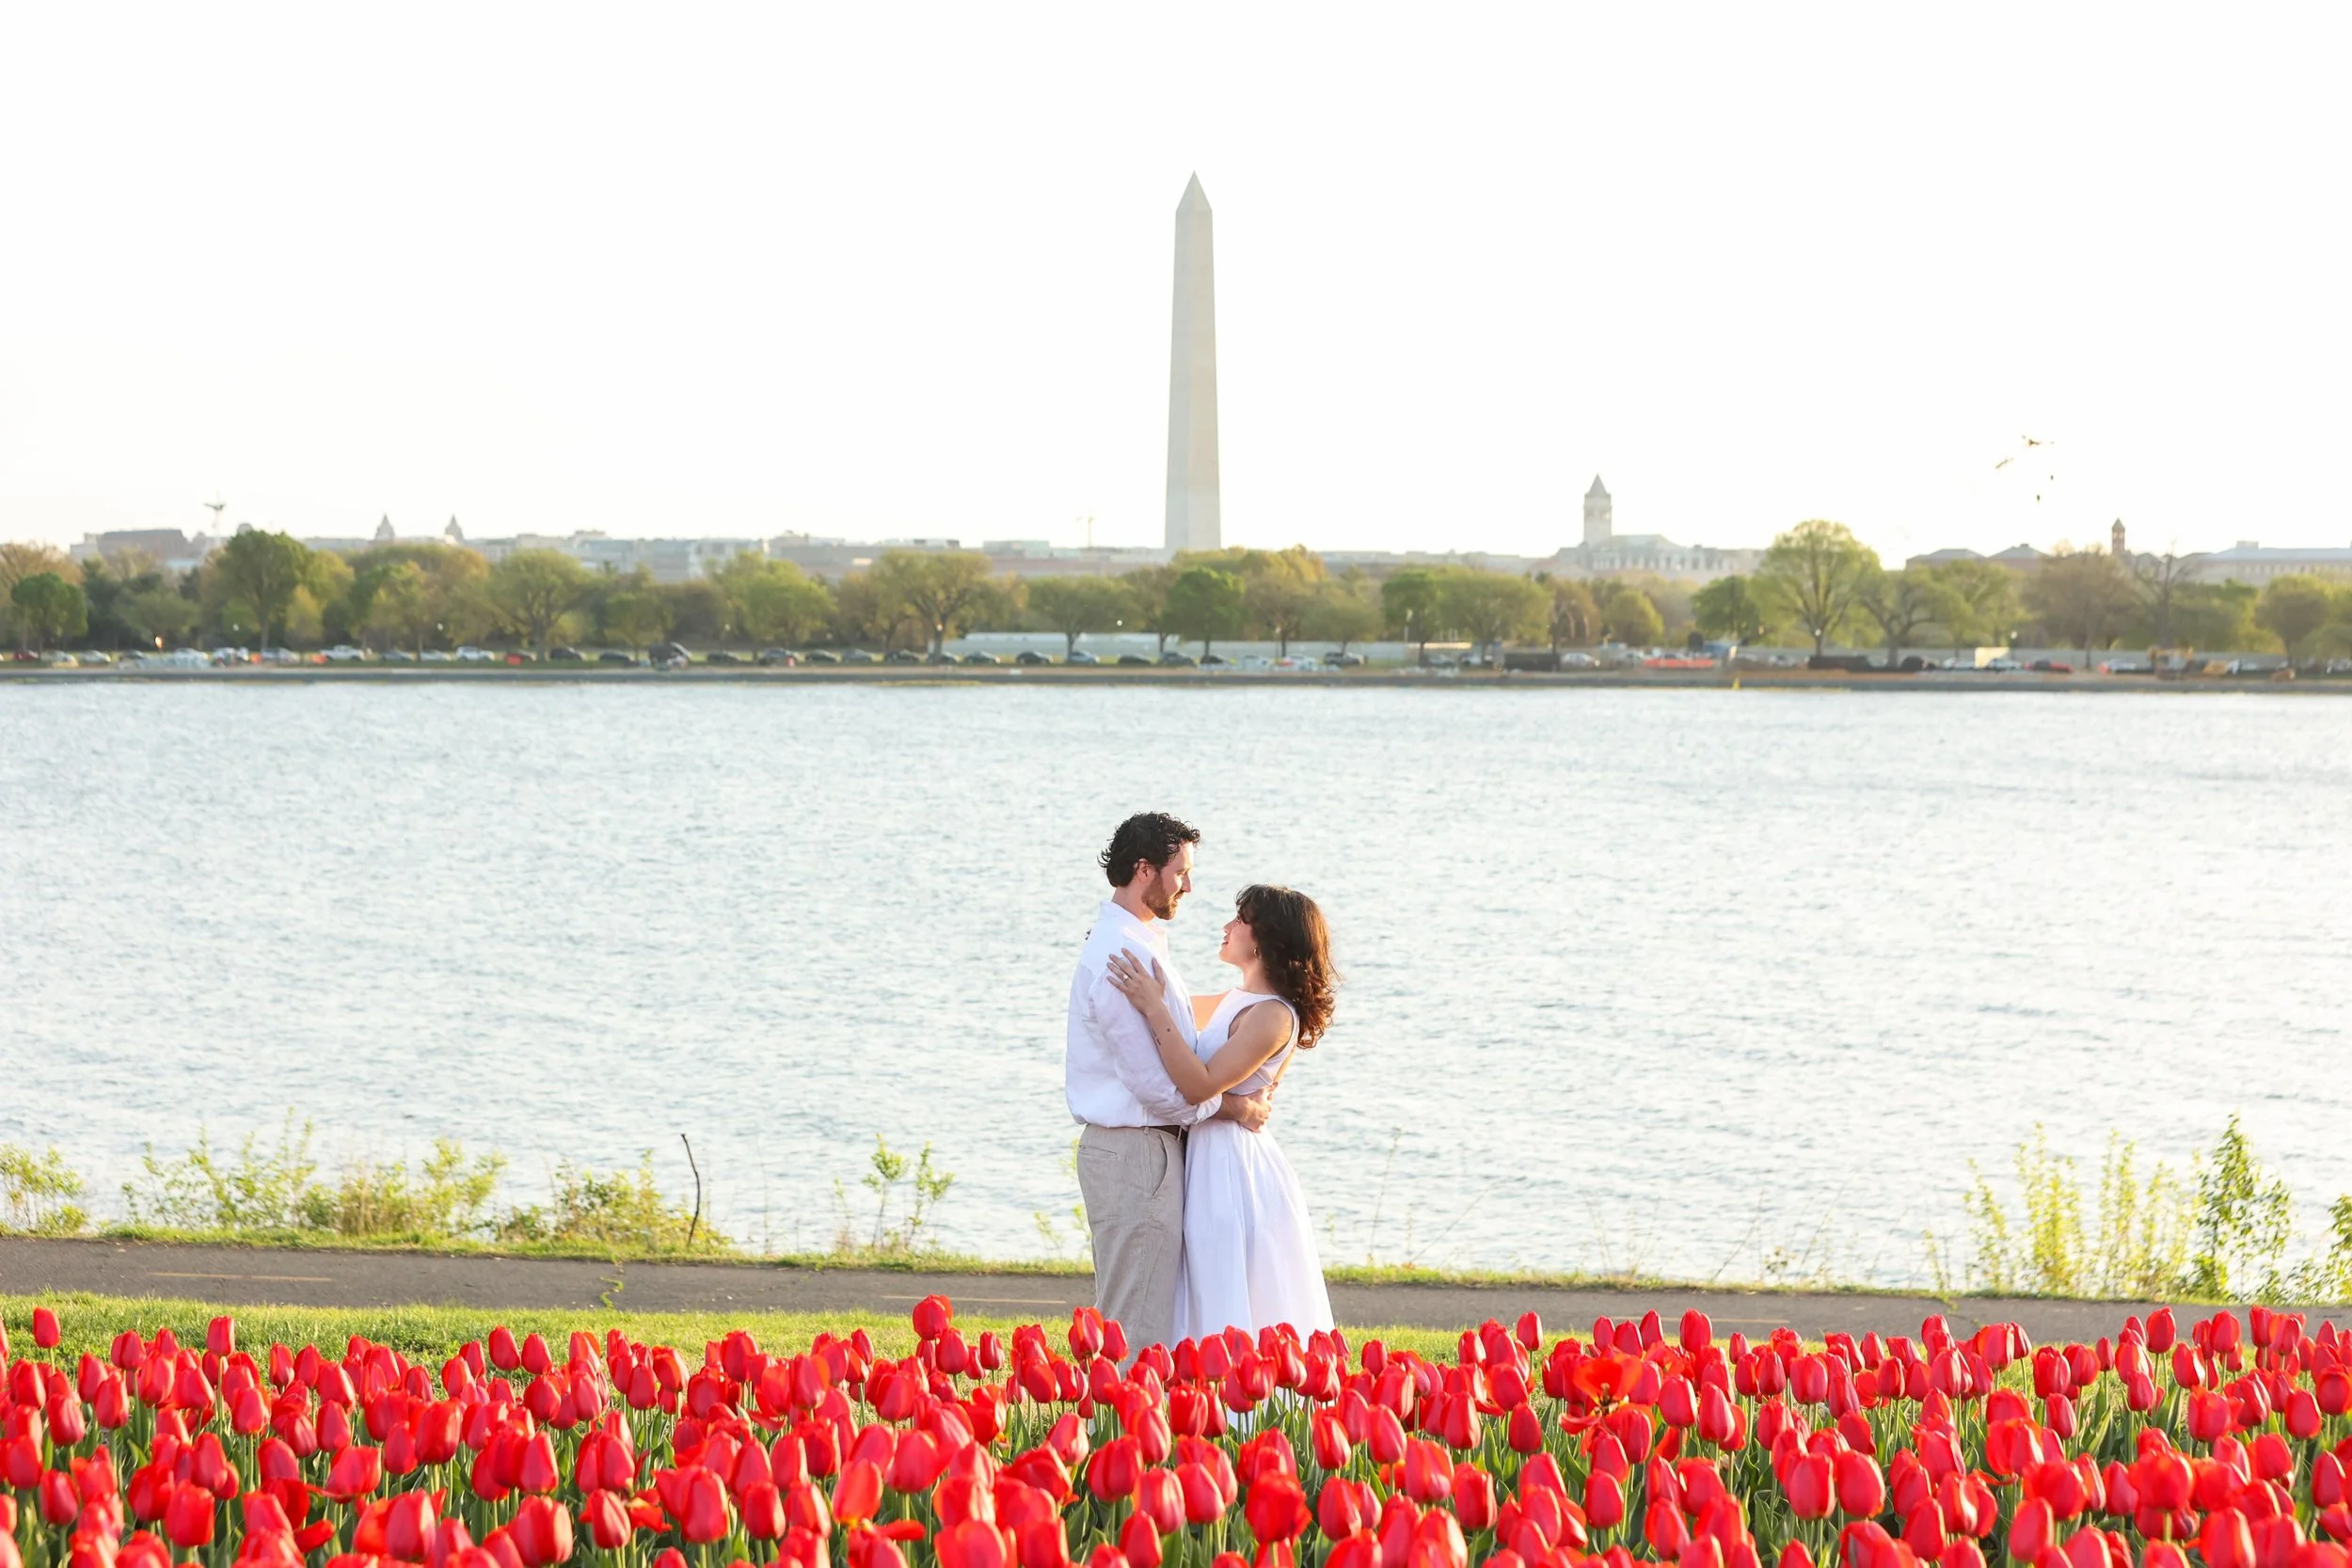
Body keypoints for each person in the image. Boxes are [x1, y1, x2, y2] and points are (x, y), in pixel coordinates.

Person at [1064, 812, 1272, 1358]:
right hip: (1137, 1153)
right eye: (1181, 872)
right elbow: (1155, 1089)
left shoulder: (1139, 941)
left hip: (1145, 1152)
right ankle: (1125, 1442)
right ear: (1144, 869)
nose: (1189, 886)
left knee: (1146, 1321)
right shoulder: (1120, 953)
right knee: (1137, 1329)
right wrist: (1235, 1109)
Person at [1105, 882, 1337, 1339]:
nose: (1227, 926)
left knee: (1222, 1281)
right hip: (1207, 1154)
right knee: (1198, 1281)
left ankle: (1233, 1405)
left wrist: (1154, 1009)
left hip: (1234, 1169)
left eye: (1241, 920)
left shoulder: (1273, 1015)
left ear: (1267, 938)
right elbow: (1177, 1039)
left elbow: (1197, 1084)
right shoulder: (1234, 1000)